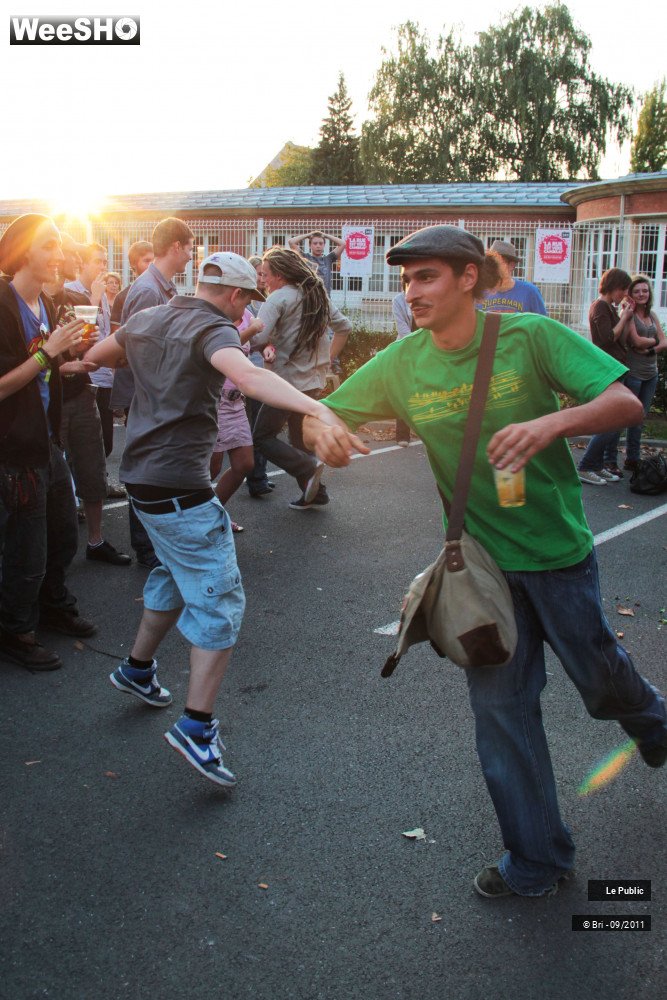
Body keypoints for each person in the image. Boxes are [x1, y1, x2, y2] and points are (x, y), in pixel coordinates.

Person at [302, 224, 666, 899]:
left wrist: (549, 423)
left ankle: (652, 722)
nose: (411, 291)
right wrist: (320, 430)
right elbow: (324, 411)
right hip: (480, 568)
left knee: (599, 679)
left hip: (557, 554)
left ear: (468, 278)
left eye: (426, 277)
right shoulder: (404, 359)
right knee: (502, 711)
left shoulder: (527, 337)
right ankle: (536, 857)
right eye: (406, 279)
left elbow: (621, 400)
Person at [85, 251, 342, 787]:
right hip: (180, 486)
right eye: (247, 302)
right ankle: (196, 727)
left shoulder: (148, 318)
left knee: (172, 573)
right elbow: (246, 375)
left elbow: (98, 353)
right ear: (236, 297)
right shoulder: (213, 328)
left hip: (140, 479)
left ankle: (136, 669)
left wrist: (77, 362)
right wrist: (315, 408)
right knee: (221, 601)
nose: (246, 312)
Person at [0, 214, 97, 670]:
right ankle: (17, 629)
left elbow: (42, 370)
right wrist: (48, 352)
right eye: (50, 246)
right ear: (23, 251)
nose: (61, 256)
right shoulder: (3, 304)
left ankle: (51, 606)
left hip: (46, 439)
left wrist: (68, 365)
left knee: (63, 532)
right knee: (27, 547)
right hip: (15, 448)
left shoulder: (47, 304)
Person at [43, 235, 131, 566]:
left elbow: (77, 348)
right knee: (50, 480)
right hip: (47, 402)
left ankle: (96, 541)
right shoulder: (27, 302)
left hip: (80, 395)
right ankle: (49, 556)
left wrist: (82, 350)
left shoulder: (73, 299)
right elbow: (33, 358)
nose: (68, 259)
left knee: (93, 468)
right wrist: (64, 363)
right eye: (63, 254)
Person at [117, 219, 195, 568]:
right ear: (176, 247)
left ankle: (153, 542)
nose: (192, 256)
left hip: (156, 393)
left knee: (153, 465)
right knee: (145, 466)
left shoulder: (162, 287)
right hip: (148, 393)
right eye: (190, 248)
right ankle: (146, 547)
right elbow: (133, 348)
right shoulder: (149, 291)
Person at [252, 246, 351, 510]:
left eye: (267, 275)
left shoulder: (277, 299)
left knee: (262, 436)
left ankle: (306, 468)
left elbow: (258, 338)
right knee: (298, 440)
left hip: (285, 384)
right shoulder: (316, 295)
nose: (264, 280)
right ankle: (317, 494)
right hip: (313, 381)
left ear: (280, 275)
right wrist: (329, 357)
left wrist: (245, 332)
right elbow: (345, 327)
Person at [577, 268, 638, 484]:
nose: (624, 294)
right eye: (622, 289)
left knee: (615, 422)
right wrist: (625, 317)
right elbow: (606, 339)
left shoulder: (608, 307)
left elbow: (619, 338)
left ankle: (597, 464)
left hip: (615, 367)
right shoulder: (600, 306)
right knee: (610, 421)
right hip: (607, 369)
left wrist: (623, 315)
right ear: (612, 286)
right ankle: (586, 466)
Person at [622, 274, 667, 471]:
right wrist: (653, 341)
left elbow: (663, 341)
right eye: (637, 291)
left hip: (651, 373)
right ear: (631, 294)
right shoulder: (629, 313)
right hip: (634, 373)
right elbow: (636, 341)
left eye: (645, 291)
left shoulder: (652, 315)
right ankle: (621, 458)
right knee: (629, 416)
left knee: (641, 417)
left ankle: (633, 458)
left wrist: (649, 348)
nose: (642, 294)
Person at [243, 256, 274, 498]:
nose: (262, 278)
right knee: (253, 428)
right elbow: (243, 337)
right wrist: (258, 338)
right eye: (258, 274)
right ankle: (255, 478)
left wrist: (268, 346)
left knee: (260, 427)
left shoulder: (268, 301)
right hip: (246, 371)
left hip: (263, 369)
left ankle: (259, 476)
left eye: (265, 274)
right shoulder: (245, 305)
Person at [478, 239, 547, 315]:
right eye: (490, 262)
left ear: (512, 265)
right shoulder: (479, 291)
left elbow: (542, 323)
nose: (493, 267)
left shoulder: (530, 292)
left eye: (499, 262)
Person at [392, 277, 416, 446]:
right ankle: (402, 435)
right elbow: (402, 329)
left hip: (430, 348)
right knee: (403, 390)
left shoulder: (427, 299)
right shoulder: (398, 301)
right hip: (406, 348)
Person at [287, 230, 344, 294]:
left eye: (321, 243)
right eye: (315, 243)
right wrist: (308, 235)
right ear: (310, 245)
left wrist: (325, 235)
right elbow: (291, 242)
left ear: (324, 245)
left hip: (325, 298)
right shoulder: (304, 257)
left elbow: (342, 244)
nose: (318, 246)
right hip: (309, 297)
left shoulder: (328, 259)